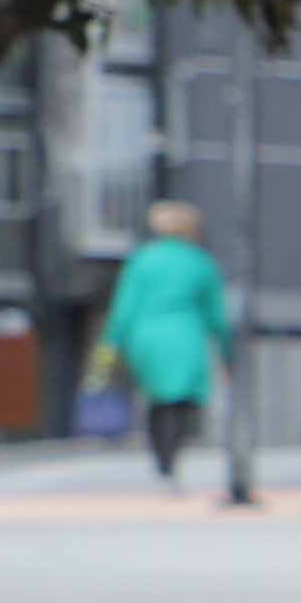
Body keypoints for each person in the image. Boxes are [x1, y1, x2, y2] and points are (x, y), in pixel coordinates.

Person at [93, 199, 232, 487]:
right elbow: (216, 313)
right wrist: (227, 350)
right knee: (182, 399)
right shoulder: (200, 262)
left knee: (157, 397)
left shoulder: (142, 260)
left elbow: (124, 307)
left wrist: (109, 347)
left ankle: (160, 458)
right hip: (186, 333)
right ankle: (173, 456)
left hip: (145, 336)